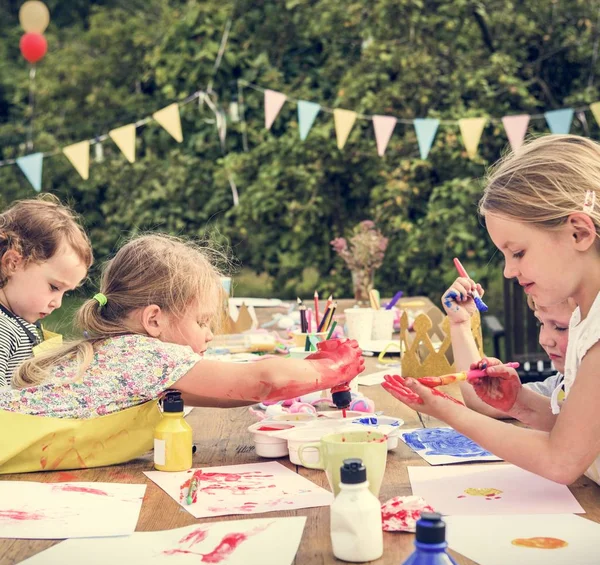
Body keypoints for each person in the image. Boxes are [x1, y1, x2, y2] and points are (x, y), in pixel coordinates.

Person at [0, 234, 364, 473]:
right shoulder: (144, 355)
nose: (209, 334)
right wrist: (335, 367)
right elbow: (261, 382)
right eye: (202, 322)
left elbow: (223, 394)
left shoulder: (120, 349)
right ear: (154, 319)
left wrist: (310, 376)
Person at [383, 134, 600, 485]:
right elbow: (578, 430)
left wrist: (444, 409)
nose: (508, 271)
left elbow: (560, 461)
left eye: (517, 252)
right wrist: (520, 404)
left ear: (578, 233)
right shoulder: (584, 318)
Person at [442, 276, 573, 417]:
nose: (544, 340)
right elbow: (485, 403)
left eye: (560, 327)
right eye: (540, 323)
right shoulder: (562, 384)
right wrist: (460, 323)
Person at [0, 194, 93, 386]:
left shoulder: (15, 321)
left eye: (65, 293)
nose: (57, 303)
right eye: (54, 287)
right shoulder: (3, 329)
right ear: (12, 263)